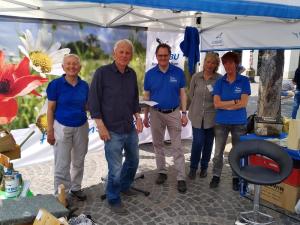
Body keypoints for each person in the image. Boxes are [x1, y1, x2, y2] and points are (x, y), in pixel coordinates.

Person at [88, 39, 143, 215]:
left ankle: (125, 186)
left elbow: (134, 99)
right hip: (111, 129)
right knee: (115, 168)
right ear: (114, 53)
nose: (124, 55)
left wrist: (138, 117)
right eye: (121, 52)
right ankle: (113, 197)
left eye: (128, 53)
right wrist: (100, 126)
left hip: (129, 126)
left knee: (134, 160)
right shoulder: (102, 73)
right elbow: (93, 101)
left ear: (131, 56)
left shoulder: (132, 74)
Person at [143, 43, 188, 193]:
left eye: (165, 55)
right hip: (156, 113)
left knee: (177, 147)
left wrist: (184, 113)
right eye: (160, 55)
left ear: (169, 56)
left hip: (174, 113)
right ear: (156, 57)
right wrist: (145, 115)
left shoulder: (178, 72)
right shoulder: (150, 74)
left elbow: (182, 94)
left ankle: (181, 177)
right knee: (158, 145)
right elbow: (147, 96)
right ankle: (162, 171)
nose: (162, 58)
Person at [47, 54, 89, 201]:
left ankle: (76, 187)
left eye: (75, 64)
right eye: (68, 64)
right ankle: (60, 196)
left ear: (80, 67)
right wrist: (50, 130)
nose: (72, 67)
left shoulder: (84, 85)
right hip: (62, 127)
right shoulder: (55, 85)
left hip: (81, 127)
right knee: (62, 163)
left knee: (79, 160)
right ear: (63, 67)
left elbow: (86, 106)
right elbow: (50, 109)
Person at [209, 52, 251, 191]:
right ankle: (216, 175)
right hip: (221, 122)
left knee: (237, 151)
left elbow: (243, 103)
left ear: (236, 64)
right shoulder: (220, 82)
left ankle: (236, 177)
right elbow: (216, 104)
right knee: (218, 152)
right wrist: (234, 101)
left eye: (231, 63)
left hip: (239, 122)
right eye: (225, 63)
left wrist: (225, 104)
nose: (228, 66)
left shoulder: (244, 81)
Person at [188, 52, 222, 179]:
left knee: (208, 143)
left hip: (212, 117)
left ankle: (204, 167)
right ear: (204, 62)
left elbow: (220, 97)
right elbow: (191, 94)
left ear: (216, 65)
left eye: (213, 63)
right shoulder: (196, 77)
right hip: (197, 115)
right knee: (197, 142)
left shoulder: (219, 79)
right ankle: (193, 167)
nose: (210, 65)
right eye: (208, 62)